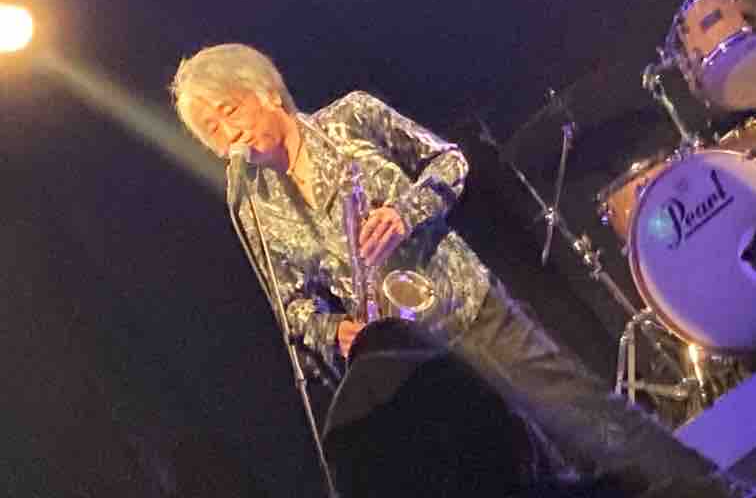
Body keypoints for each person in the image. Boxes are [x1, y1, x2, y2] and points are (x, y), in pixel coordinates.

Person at [170, 43, 753, 497]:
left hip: (467, 306)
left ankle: (713, 491)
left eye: (229, 110)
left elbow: (449, 161)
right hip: (413, 364)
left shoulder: (351, 117)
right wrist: (334, 330)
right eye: (211, 131)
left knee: (591, 421)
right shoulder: (252, 205)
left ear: (267, 91)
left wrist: (404, 212)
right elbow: (293, 305)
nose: (228, 134)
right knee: (521, 475)